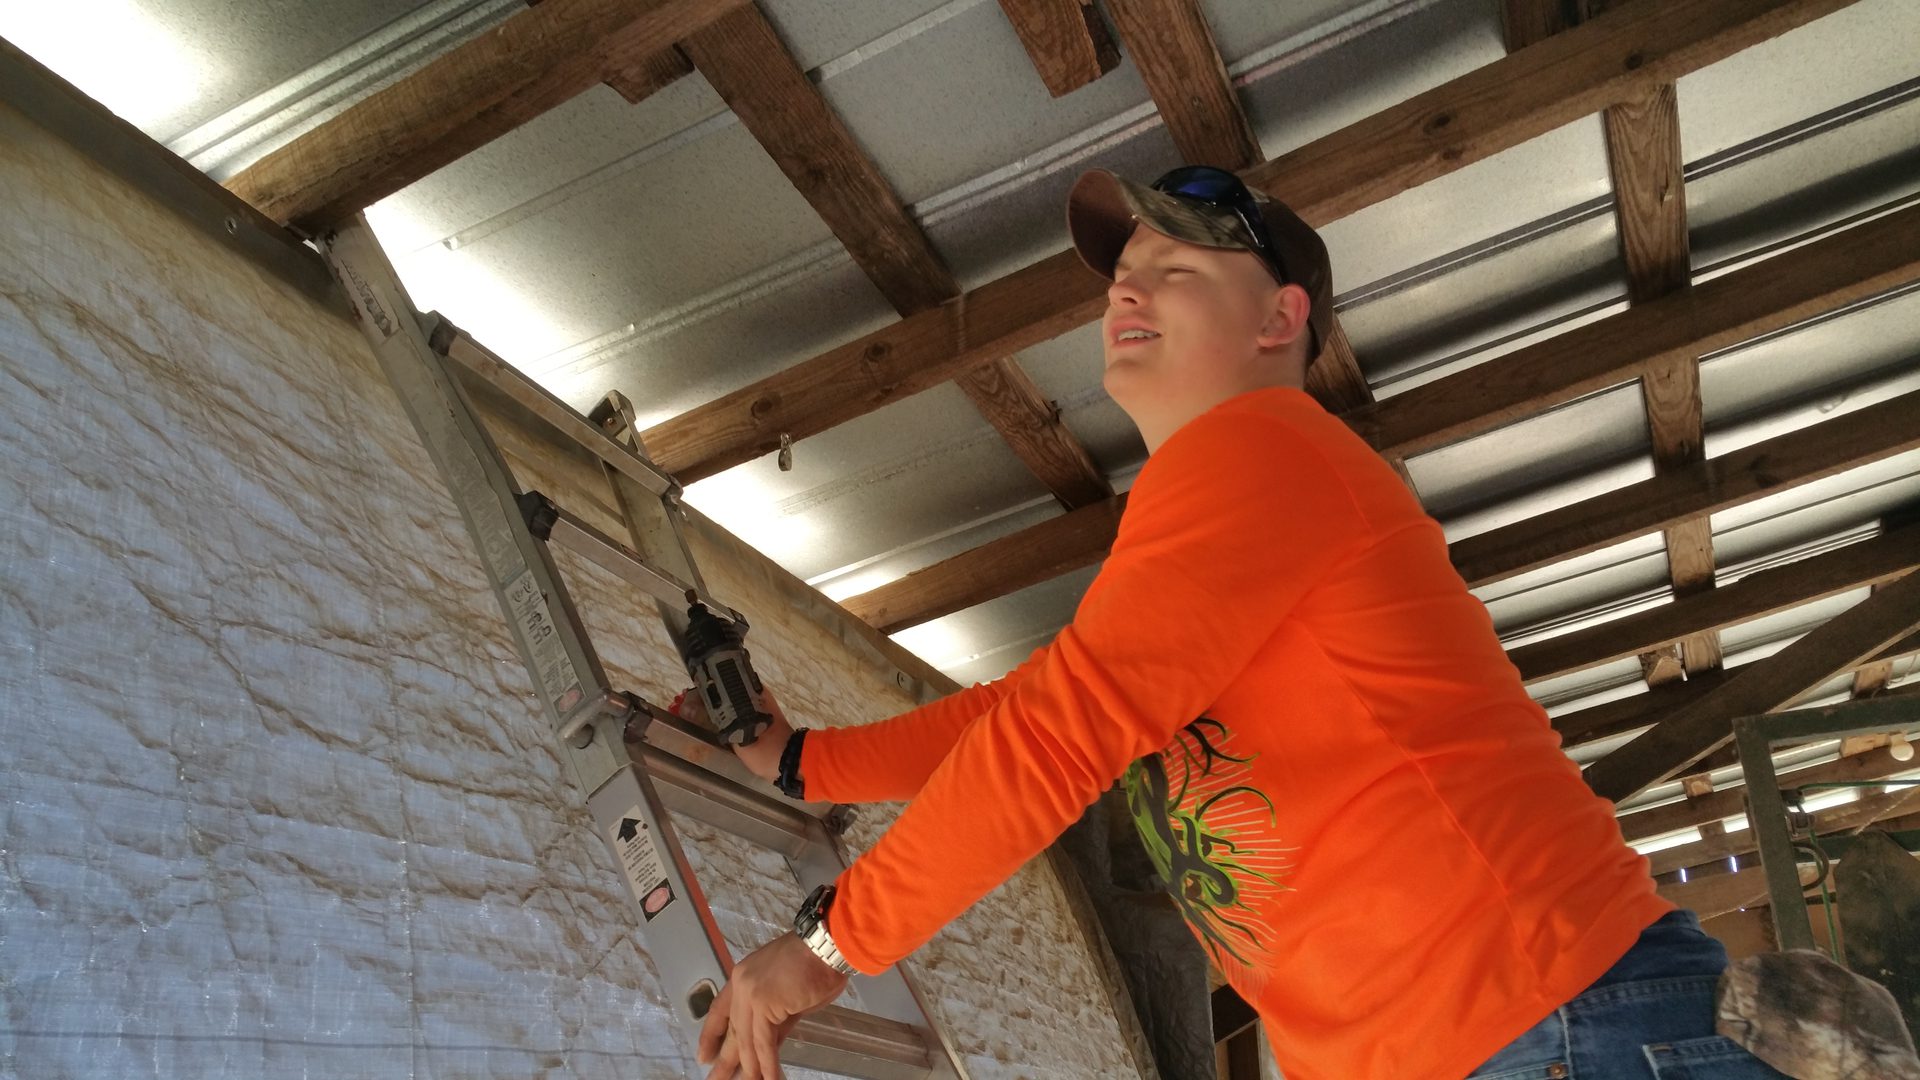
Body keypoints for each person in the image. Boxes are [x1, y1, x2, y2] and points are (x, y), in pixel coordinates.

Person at [691, 166, 1788, 1080]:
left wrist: (833, 944)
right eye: (1121, 278)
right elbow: (1025, 711)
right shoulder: (1221, 511)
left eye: (1175, 269)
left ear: (1280, 317)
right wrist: (803, 764)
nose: (1127, 292)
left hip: (1548, 1025)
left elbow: (1059, 732)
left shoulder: (1266, 449)